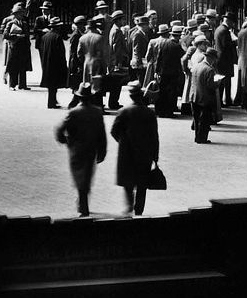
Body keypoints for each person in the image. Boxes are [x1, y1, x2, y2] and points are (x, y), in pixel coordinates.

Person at [111, 83, 160, 215]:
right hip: (145, 153)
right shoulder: (150, 113)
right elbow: (154, 136)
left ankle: (129, 205)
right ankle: (139, 210)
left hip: (127, 152)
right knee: (142, 184)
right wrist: (155, 156)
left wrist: (122, 142)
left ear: (131, 96)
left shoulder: (124, 111)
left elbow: (114, 131)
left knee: (128, 181)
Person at [56, 86, 106, 216]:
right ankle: (83, 202)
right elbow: (102, 134)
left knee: (79, 176)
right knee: (87, 175)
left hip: (76, 150)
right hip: (91, 149)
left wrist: (65, 141)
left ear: (79, 97)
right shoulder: (97, 112)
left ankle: (83, 205)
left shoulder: (73, 113)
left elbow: (59, 130)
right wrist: (102, 151)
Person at [189, 42, 220, 143]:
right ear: (212, 58)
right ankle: (202, 138)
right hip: (205, 98)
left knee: (196, 118)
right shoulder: (210, 70)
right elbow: (211, 86)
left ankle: (197, 137)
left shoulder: (197, 66)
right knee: (204, 120)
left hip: (194, 96)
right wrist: (218, 82)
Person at [38, 16, 69, 108]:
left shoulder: (45, 36)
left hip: (46, 63)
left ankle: (52, 101)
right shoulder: (57, 37)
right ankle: (51, 102)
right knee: (54, 85)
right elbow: (61, 53)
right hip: (55, 64)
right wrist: (64, 65)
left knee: (50, 85)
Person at [2, 4, 33, 91]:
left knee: (23, 66)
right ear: (15, 14)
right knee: (13, 66)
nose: (21, 15)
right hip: (14, 47)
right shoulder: (10, 23)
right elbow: (5, 35)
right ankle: (12, 85)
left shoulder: (25, 23)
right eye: (19, 13)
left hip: (23, 47)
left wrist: (27, 43)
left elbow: (27, 35)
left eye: (22, 13)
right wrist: (16, 36)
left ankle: (22, 85)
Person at [105, 10, 132, 108]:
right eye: (122, 19)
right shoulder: (117, 31)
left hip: (113, 60)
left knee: (115, 83)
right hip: (116, 61)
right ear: (117, 20)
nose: (124, 21)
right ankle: (113, 103)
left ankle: (113, 102)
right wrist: (119, 61)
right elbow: (117, 48)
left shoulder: (114, 30)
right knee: (116, 83)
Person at [213, 13, 237, 108]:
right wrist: (234, 42)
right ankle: (225, 100)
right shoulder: (224, 31)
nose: (233, 25)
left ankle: (224, 100)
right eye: (232, 22)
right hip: (225, 59)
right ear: (229, 21)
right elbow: (226, 45)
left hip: (221, 58)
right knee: (224, 81)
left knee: (223, 81)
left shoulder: (219, 29)